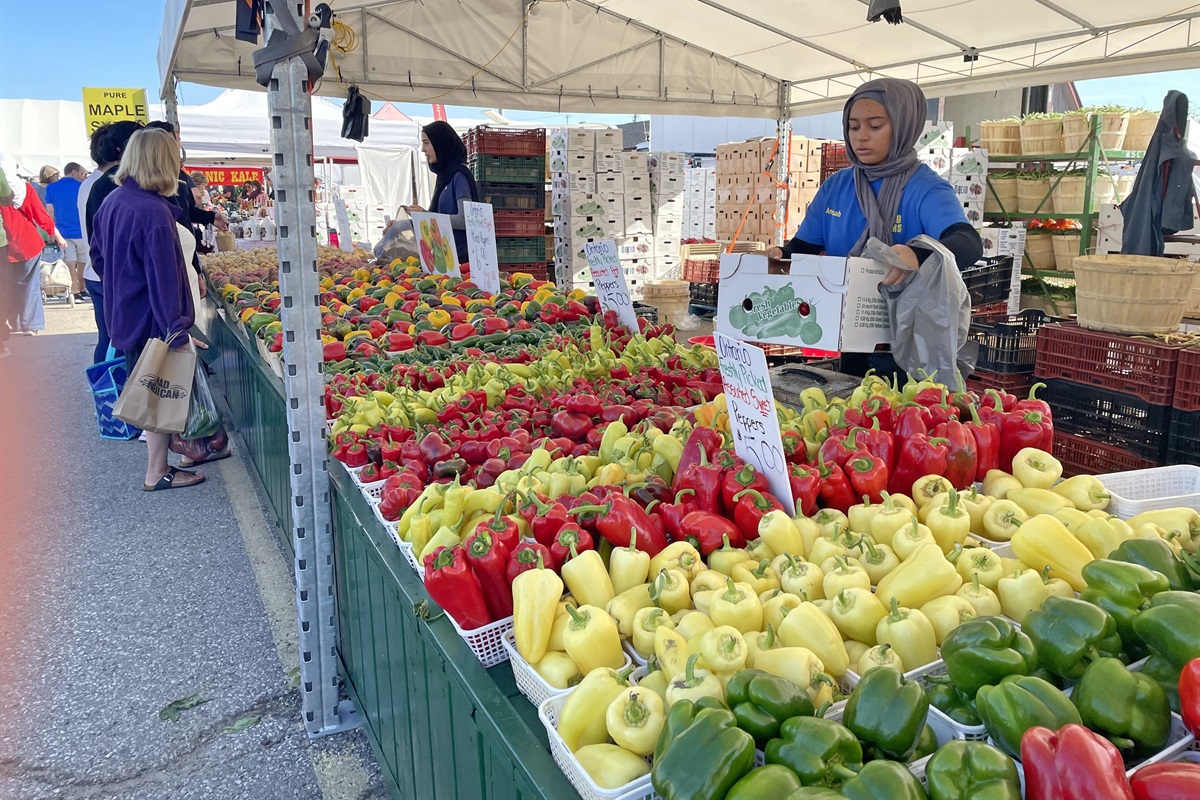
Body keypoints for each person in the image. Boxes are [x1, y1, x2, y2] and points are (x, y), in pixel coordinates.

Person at [767, 78, 982, 375]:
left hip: (911, 340)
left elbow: (967, 241)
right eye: (853, 127)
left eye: (875, 126)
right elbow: (804, 246)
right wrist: (780, 252)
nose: (861, 137)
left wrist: (917, 254)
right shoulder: (837, 186)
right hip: (852, 329)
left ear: (903, 126)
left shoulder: (926, 189)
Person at [89, 127, 206, 491]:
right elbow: (164, 276)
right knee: (160, 389)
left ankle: (162, 464)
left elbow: (97, 257)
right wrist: (177, 328)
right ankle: (156, 471)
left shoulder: (114, 201)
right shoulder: (152, 212)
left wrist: (122, 285)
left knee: (152, 388)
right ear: (164, 162)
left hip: (125, 310)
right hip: (151, 315)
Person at [83, 121, 142, 363]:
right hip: (117, 280)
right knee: (119, 344)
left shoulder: (93, 183)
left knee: (108, 339)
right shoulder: (112, 185)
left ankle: (108, 394)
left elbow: (95, 240)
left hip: (100, 275)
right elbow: (105, 242)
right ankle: (116, 394)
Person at [0, 154, 66, 336]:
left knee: (6, 286)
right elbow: (40, 214)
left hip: (4, 244)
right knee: (28, 286)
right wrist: (57, 235)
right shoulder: (25, 188)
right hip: (28, 242)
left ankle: (11, 323)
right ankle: (30, 324)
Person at [406, 120, 479, 263]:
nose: (423, 149)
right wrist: (401, 224)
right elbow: (438, 218)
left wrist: (426, 215)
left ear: (441, 144)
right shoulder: (445, 177)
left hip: (461, 262)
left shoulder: (459, 176)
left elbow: (465, 220)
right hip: (446, 258)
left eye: (426, 143)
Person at [44, 162, 90, 301]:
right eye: (82, 173)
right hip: (82, 230)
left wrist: (50, 232)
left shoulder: (52, 188)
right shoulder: (82, 186)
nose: (83, 176)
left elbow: (50, 211)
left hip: (63, 231)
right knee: (83, 262)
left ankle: (74, 291)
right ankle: (82, 288)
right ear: (74, 172)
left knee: (70, 262)